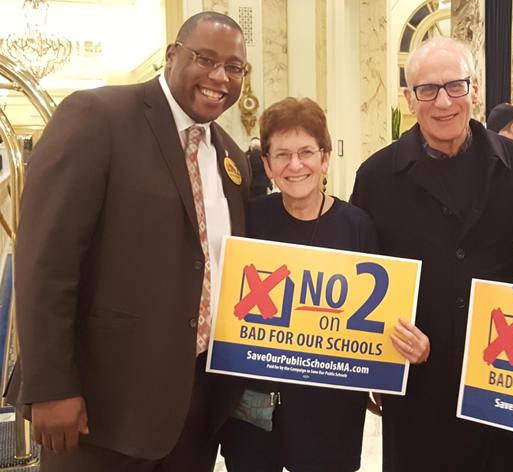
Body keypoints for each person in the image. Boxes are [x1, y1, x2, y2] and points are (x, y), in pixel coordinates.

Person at [6, 12, 252, 472]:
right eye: (206, 59)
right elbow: (46, 259)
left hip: (193, 411)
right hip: (100, 408)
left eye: (234, 67)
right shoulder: (98, 117)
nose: (220, 76)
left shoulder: (232, 159)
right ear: (172, 55)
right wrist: (51, 385)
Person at [351, 37, 513, 472]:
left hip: (505, 379)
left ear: (474, 89)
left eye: (455, 86)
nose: (443, 101)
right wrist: (373, 359)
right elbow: (362, 275)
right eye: (427, 89)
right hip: (420, 382)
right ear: (409, 98)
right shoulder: (376, 177)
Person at [219, 96, 429, 472]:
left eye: (306, 152)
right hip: (251, 409)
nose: (295, 165)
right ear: (266, 165)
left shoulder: (357, 226)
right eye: (281, 154)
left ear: (326, 158)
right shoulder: (247, 222)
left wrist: (393, 359)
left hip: (328, 413)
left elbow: (377, 318)